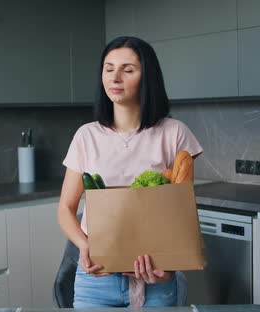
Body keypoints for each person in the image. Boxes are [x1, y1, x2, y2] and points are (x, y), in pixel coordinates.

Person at [57, 36, 204, 308]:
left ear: (147, 77)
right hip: (96, 280)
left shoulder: (174, 134)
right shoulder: (86, 136)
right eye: (108, 68)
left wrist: (168, 268)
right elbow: (66, 208)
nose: (115, 77)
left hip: (156, 282)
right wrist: (85, 245)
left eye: (128, 69)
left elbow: (181, 215)